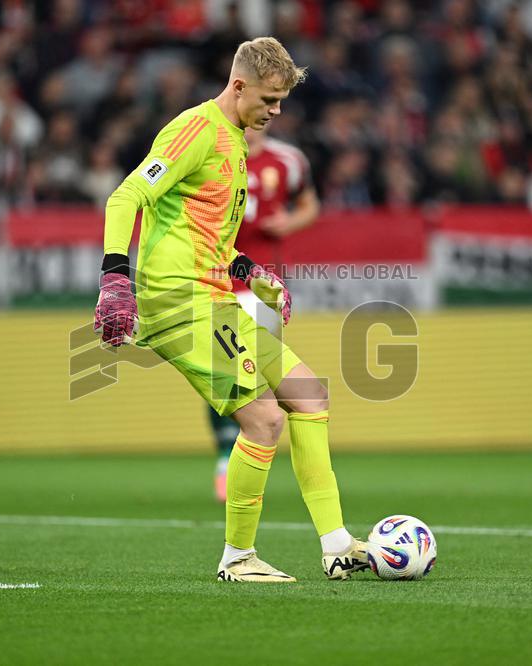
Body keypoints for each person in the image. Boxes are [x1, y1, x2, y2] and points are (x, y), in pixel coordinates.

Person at [95, 38, 367, 582]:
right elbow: (125, 198)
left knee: (309, 394)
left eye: (282, 100)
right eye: (269, 98)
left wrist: (250, 272)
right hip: (179, 300)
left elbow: (209, 238)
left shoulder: (237, 140)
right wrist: (114, 278)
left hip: (216, 296)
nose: (277, 110)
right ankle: (237, 559)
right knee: (265, 420)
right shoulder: (195, 131)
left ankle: (336, 545)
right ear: (238, 86)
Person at [209, 127, 320, 502]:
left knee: (262, 375)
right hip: (217, 281)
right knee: (225, 374)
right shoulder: (215, 154)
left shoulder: (288, 160)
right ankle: (226, 456)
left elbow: (310, 205)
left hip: (264, 287)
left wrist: (288, 223)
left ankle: (249, 456)